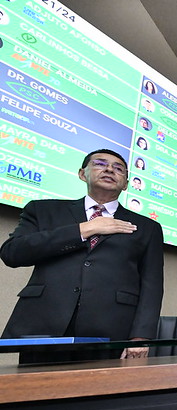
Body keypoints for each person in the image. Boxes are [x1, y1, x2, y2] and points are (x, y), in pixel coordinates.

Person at [0, 149, 164, 363]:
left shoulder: (147, 227)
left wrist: (141, 336)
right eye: (100, 164)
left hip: (111, 330)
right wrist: (84, 229)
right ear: (81, 174)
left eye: (118, 168)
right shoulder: (43, 210)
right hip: (44, 325)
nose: (109, 169)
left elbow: (152, 285)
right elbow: (13, 253)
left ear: (125, 183)